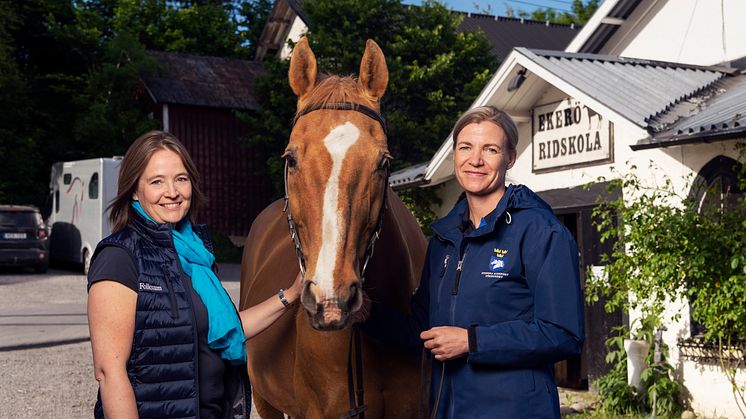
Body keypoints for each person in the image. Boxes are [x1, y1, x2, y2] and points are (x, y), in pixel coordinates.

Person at [363, 106, 584, 418]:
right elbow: (422, 330)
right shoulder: (444, 241)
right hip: (447, 410)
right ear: (455, 155)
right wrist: (366, 312)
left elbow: (564, 334)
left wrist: (472, 341)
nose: (475, 160)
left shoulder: (540, 232)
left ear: (510, 158)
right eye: (465, 147)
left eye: (490, 149)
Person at [87, 130, 302, 419]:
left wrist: (291, 294)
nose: (172, 192)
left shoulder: (196, 255)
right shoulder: (119, 257)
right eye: (156, 182)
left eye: (181, 179)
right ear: (135, 191)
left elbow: (225, 327)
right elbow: (109, 372)